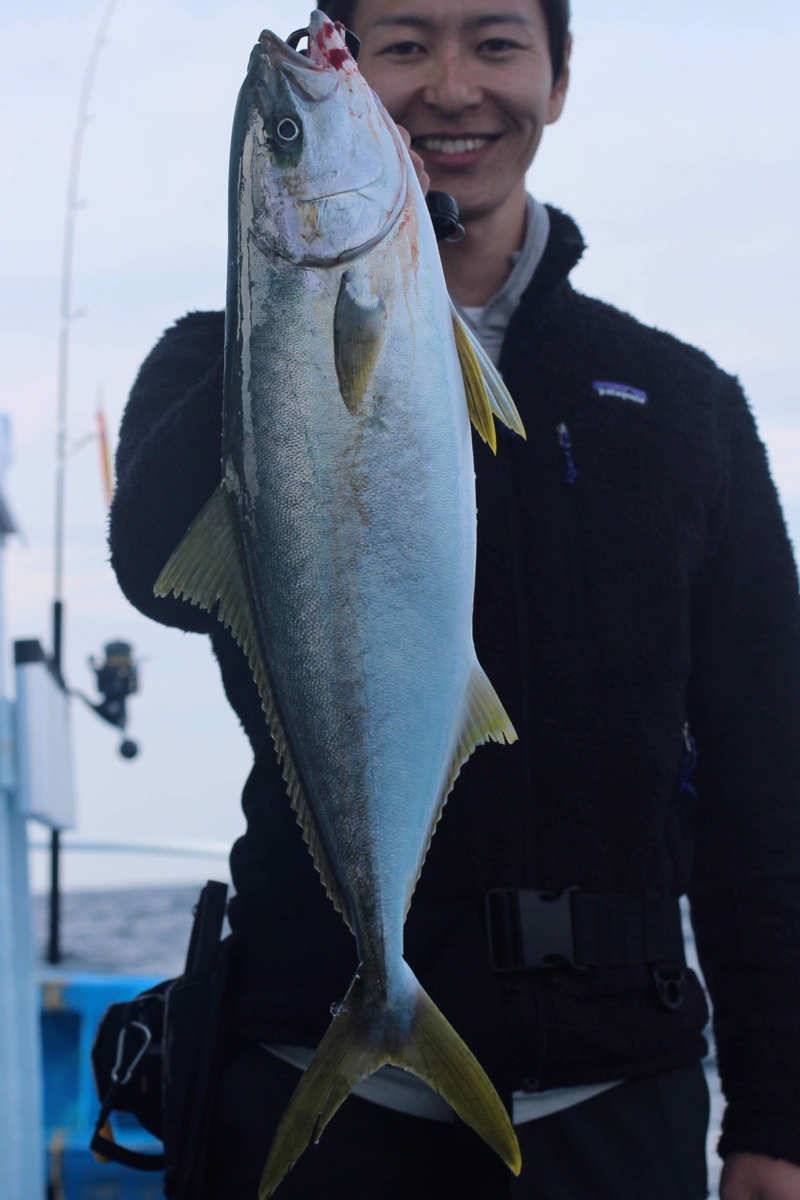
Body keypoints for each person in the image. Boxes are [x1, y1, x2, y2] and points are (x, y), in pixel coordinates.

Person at [109, 1, 800, 1197]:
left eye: (492, 43)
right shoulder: (207, 362)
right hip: (301, 1079)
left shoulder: (679, 404)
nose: (448, 86)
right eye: (401, 46)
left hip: (614, 1097)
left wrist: (777, 1116)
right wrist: (282, 294)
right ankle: (381, 996)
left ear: (558, 76)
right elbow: (154, 572)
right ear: (358, 77)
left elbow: (765, 774)